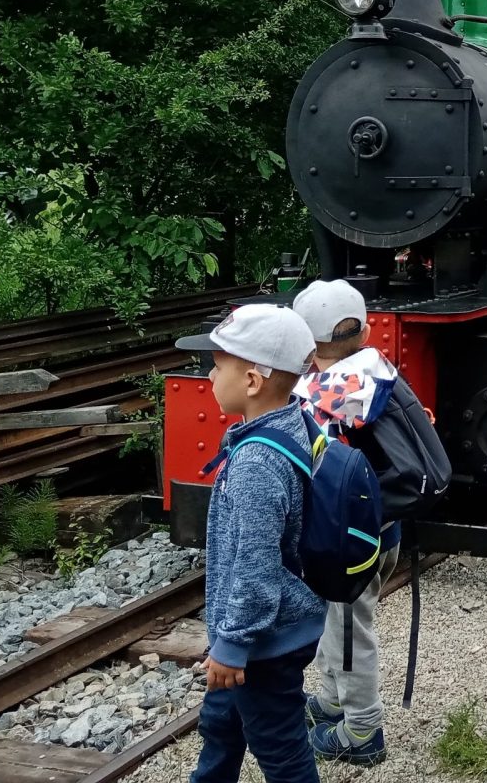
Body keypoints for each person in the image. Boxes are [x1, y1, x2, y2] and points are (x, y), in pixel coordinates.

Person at [175, 305, 326, 783]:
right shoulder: (287, 421)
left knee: (281, 752)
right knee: (221, 723)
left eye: (218, 365)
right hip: (261, 629)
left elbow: (256, 567)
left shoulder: (256, 463)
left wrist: (233, 644)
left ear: (253, 381)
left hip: (263, 641)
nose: (209, 375)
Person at [289, 280, 402, 765]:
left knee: (350, 632)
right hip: (384, 529)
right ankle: (333, 699)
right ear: (367, 331)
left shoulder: (312, 396)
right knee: (339, 625)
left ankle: (362, 730)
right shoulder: (381, 371)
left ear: (306, 344)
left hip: (348, 542)